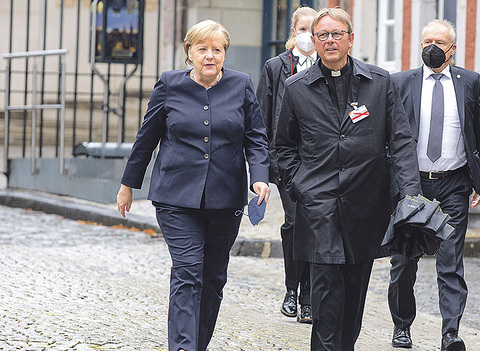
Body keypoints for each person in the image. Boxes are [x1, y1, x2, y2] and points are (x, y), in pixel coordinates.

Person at [116, 20, 270, 351]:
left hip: (225, 197)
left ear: (225, 53)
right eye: (202, 49)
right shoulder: (170, 85)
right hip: (175, 195)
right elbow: (147, 138)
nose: (210, 56)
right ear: (190, 52)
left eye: (217, 49)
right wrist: (129, 184)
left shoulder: (241, 85)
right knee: (188, 272)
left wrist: (259, 177)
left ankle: (196, 344)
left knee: (213, 278)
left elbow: (256, 138)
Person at [275, 8, 421, 351]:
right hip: (320, 208)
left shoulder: (379, 83)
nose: (329, 41)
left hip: (364, 207)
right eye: (322, 35)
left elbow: (400, 141)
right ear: (313, 41)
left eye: (336, 34)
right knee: (326, 300)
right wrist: (302, 187)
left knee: (354, 301)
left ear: (350, 39)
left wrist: (411, 195)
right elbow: (282, 147)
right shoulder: (296, 88)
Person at [387, 19, 480, 351]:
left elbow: (479, 131)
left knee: (451, 260)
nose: (431, 46)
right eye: (426, 40)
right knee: (404, 260)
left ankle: (451, 332)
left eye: (439, 41)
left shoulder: (469, 82)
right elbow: (388, 136)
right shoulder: (400, 82)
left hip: (453, 184)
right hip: (411, 184)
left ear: (452, 48)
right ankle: (402, 326)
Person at [256, 5, 318, 324]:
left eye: (313, 29)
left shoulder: (328, 65)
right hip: (287, 162)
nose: (308, 35)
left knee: (313, 226)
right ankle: (292, 289)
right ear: (293, 32)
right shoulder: (276, 66)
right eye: (302, 29)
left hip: (320, 164)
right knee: (295, 224)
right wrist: (261, 170)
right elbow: (261, 118)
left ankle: (308, 297)